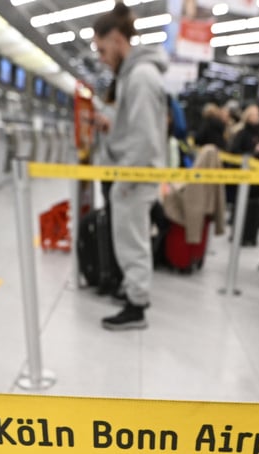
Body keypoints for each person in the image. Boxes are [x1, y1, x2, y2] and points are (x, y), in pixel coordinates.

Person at [92, 2, 169, 331]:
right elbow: (135, 127)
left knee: (132, 240)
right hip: (133, 171)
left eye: (102, 48)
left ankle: (137, 306)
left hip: (135, 175)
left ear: (117, 39)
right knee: (129, 237)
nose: (101, 57)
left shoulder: (139, 77)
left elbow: (145, 138)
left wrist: (126, 178)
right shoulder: (133, 76)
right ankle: (132, 291)